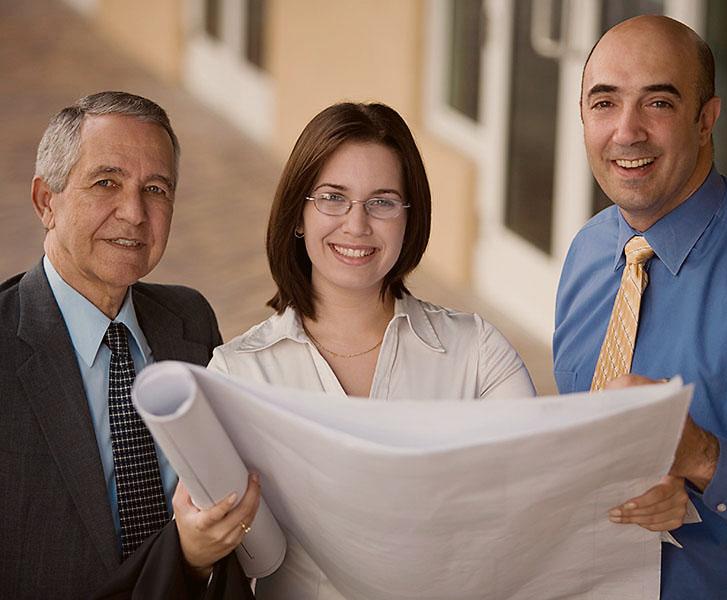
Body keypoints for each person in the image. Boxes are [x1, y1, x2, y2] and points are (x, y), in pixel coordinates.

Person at [208, 101, 535, 598]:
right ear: (299, 214)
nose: (356, 225)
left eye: (382, 202)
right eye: (333, 198)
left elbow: (534, 504)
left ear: (409, 218)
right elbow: (235, 554)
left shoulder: (478, 356)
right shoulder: (237, 375)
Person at [553, 15, 727, 598]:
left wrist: (702, 458)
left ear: (706, 118)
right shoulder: (587, 252)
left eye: (658, 103)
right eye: (605, 103)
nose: (627, 132)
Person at [0, 91, 260, 599]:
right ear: (45, 201)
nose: (135, 213)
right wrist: (185, 553)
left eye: (156, 189)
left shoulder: (190, 320)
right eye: (106, 183)